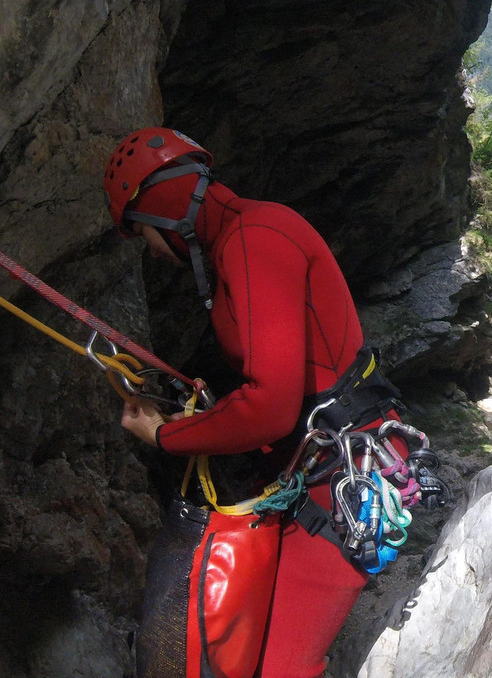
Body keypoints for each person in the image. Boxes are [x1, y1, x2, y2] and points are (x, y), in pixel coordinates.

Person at [104, 126, 391, 678]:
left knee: (279, 667)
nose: (153, 251)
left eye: (144, 234)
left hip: (342, 480)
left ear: (163, 211)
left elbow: (269, 408)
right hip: (321, 469)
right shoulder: (247, 235)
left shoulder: (253, 240)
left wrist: (164, 436)